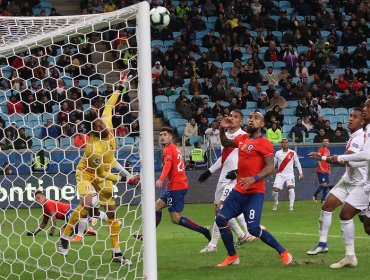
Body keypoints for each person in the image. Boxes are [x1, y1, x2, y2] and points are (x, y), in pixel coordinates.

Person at [57, 70, 135, 265]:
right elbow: (102, 171)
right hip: (86, 173)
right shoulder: (93, 149)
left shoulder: (107, 123)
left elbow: (110, 103)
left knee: (112, 212)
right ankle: (65, 237)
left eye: (103, 125)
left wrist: (121, 86)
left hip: (102, 174)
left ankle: (117, 253)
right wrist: (124, 179)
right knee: (86, 205)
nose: (105, 128)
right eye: (100, 128)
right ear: (95, 133)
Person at [215, 112, 293, 267]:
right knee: (220, 218)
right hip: (239, 191)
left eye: (256, 118)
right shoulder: (242, 139)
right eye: (250, 117)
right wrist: (222, 129)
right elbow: (225, 143)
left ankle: (283, 252)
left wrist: (254, 178)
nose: (251, 120)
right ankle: (232, 256)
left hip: (254, 193)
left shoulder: (264, 143)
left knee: (254, 229)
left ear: (263, 124)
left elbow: (270, 167)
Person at [306, 108, 366, 268]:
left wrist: (323, 158)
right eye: (350, 116)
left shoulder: (361, 137)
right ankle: (323, 243)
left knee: (367, 227)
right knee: (327, 206)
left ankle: (349, 256)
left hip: (361, 184)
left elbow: (346, 160)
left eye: (355, 117)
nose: (350, 119)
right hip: (348, 180)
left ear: (362, 121)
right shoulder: (354, 136)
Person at [198, 109, 255, 254]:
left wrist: (238, 172)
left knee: (221, 210)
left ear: (241, 121)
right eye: (230, 115)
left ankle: (213, 245)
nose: (232, 118)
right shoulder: (226, 136)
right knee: (220, 211)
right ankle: (242, 235)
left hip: (235, 179)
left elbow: (250, 159)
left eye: (236, 117)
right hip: (224, 177)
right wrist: (209, 171)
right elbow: (224, 158)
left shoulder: (245, 136)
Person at [326, 100, 370, 268]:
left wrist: (340, 158)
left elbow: (366, 155)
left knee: (368, 227)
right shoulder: (367, 130)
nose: (364, 109)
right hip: (366, 184)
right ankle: (350, 257)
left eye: (367, 107)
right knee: (346, 214)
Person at [153, 127, 211, 243]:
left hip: (176, 187)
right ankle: (148, 236)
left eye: (165, 134)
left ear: (170, 137)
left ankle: (203, 230)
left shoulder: (168, 150)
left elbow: (168, 165)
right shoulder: (175, 149)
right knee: (156, 207)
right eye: (160, 135)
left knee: (175, 218)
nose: (162, 137)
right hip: (175, 185)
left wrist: (161, 179)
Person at [27, 190, 98, 239]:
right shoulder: (44, 209)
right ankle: (87, 230)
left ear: (44, 197)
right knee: (62, 233)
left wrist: (51, 232)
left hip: (71, 209)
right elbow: (44, 223)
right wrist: (35, 232)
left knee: (68, 225)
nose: (38, 201)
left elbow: (54, 219)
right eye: (36, 200)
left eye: (39, 198)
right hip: (69, 214)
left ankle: (90, 220)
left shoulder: (48, 203)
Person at [272, 139, 303, 211]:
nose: (285, 144)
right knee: (275, 191)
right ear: (281, 144)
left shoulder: (292, 153)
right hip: (280, 174)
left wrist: (301, 173)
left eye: (286, 142)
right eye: (283, 142)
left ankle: (291, 206)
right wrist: (271, 171)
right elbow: (273, 164)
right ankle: (276, 203)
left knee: (291, 189)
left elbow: (297, 163)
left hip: (290, 174)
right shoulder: (277, 153)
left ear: (288, 144)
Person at [312, 137, 331, 203]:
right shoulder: (320, 149)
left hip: (326, 170)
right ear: (322, 143)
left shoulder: (328, 151)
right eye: (324, 141)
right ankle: (315, 195)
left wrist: (329, 169)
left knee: (326, 185)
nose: (325, 142)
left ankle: (323, 200)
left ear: (328, 143)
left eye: (326, 141)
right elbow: (318, 158)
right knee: (324, 184)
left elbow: (328, 160)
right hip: (321, 170)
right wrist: (321, 167)